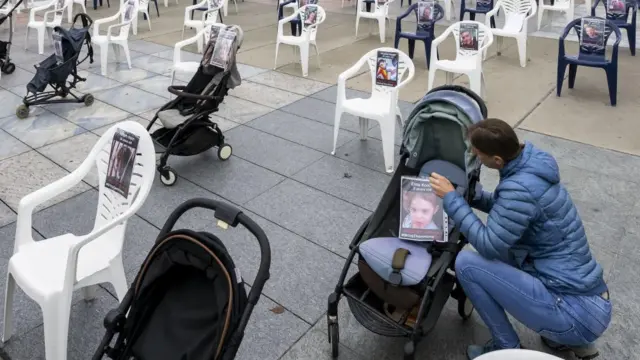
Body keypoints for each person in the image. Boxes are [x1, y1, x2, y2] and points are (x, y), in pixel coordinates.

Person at [428, 118, 611, 360]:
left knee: (466, 262)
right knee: (506, 252)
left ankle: (507, 347)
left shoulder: (519, 190)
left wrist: (452, 199)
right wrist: (474, 196)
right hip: (588, 298)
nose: (473, 154)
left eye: (478, 152)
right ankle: (571, 341)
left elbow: (488, 244)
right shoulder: (530, 164)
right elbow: (508, 209)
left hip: (575, 312)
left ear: (497, 161)